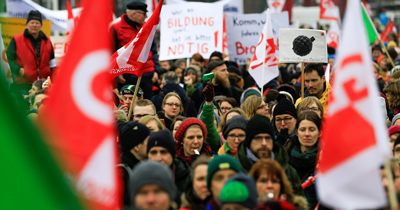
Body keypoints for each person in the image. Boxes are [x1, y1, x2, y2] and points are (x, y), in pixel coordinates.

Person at [234, 114, 304, 196]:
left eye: (268, 138)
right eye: (258, 138)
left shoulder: (288, 171)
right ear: (249, 142)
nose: (264, 143)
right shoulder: (235, 170)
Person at [110, 1, 160, 99]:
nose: (146, 17)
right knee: (128, 104)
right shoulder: (116, 28)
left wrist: (156, 71)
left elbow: (154, 50)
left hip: (147, 75)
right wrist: (117, 75)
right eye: (144, 14)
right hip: (127, 77)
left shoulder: (147, 27)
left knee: (147, 104)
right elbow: (112, 52)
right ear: (133, 14)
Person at [6, 10, 56, 93]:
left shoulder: (47, 41)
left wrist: (54, 81)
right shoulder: (16, 40)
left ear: (41, 25)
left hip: (43, 86)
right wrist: (18, 70)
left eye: (37, 23)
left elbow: (52, 64)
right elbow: (7, 60)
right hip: (23, 86)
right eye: (32, 22)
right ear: (27, 25)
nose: (34, 25)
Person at [147, 129, 191, 206]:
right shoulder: (139, 177)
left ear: (172, 154)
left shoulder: (186, 175)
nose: (158, 158)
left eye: (163, 152)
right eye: (153, 152)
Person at [288, 111, 320, 209]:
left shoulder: (326, 161)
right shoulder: (286, 158)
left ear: (320, 132)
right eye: (303, 129)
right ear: (297, 132)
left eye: (312, 129)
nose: (307, 134)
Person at [118, 121, 150, 206]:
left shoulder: (139, 166)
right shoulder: (121, 173)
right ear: (137, 146)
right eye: (149, 140)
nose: (152, 144)